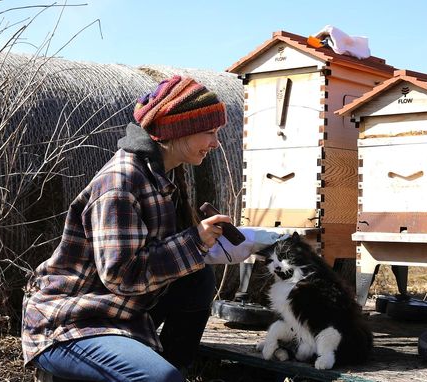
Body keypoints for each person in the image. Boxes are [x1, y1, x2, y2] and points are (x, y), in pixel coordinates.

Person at [21, 75, 281, 382]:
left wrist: (240, 243)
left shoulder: (165, 174)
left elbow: (171, 254)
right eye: (209, 132)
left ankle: (173, 367)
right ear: (178, 130)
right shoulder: (121, 182)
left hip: (122, 312)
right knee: (160, 380)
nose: (215, 142)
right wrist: (194, 242)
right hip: (73, 321)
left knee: (197, 277)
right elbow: (121, 275)